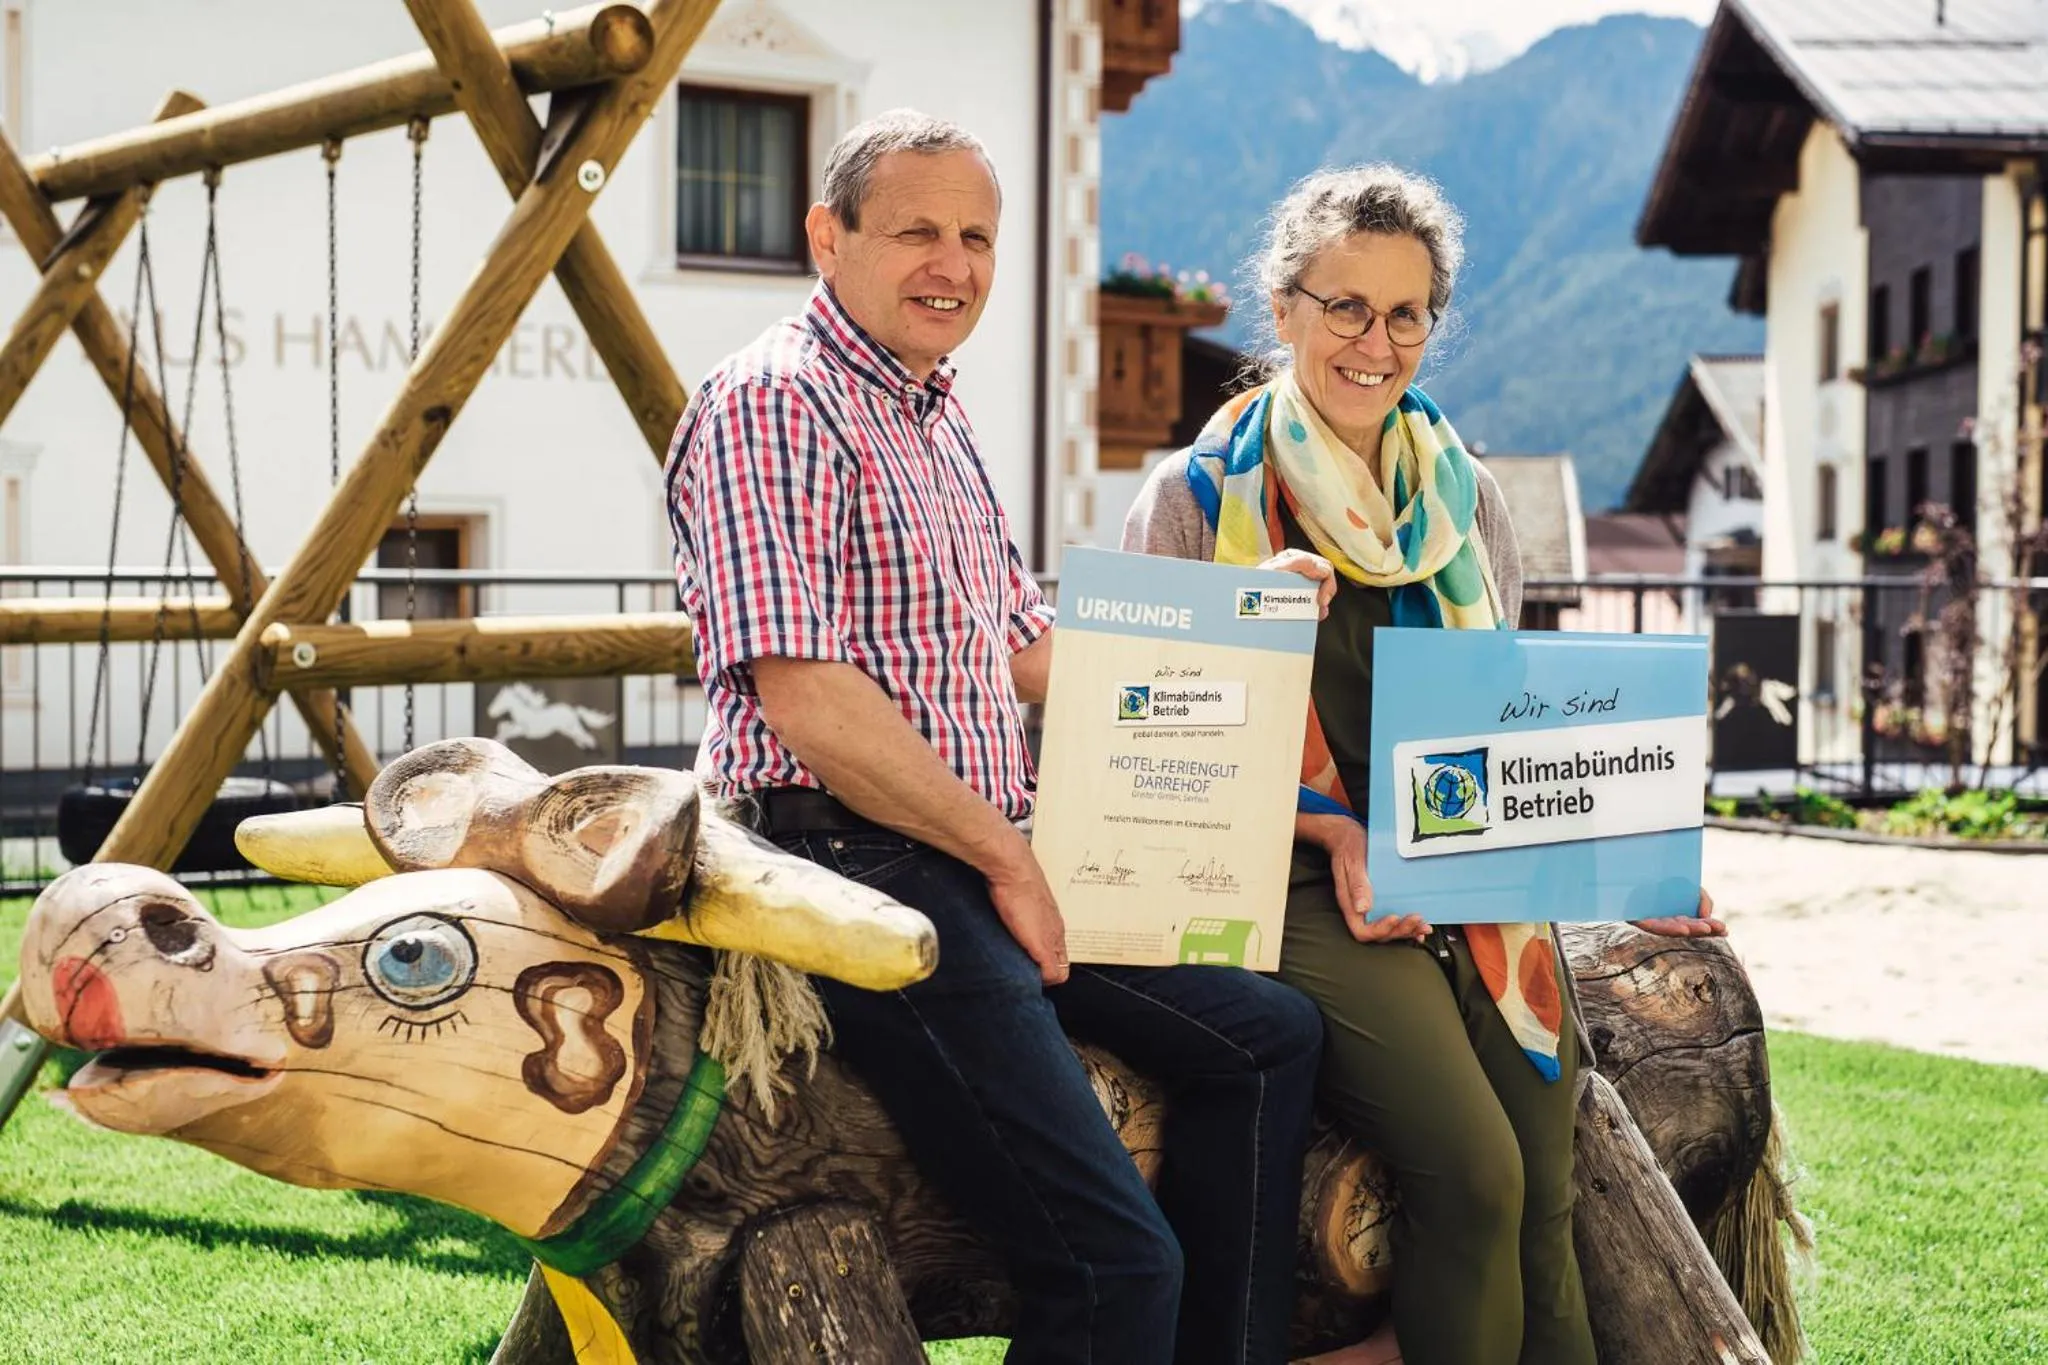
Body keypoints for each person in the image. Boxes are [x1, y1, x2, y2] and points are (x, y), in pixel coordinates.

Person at [666, 109, 1327, 1365]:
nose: (953, 264)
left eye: (975, 236)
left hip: (967, 847)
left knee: (1268, 1039)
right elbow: (807, 696)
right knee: (1110, 1263)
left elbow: (1022, 648)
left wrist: (1247, 612)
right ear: (827, 234)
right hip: (843, 859)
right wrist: (1013, 862)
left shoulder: (932, 413)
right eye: (916, 229)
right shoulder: (769, 404)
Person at [1122, 164, 1729, 1365]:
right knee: (1475, 1172)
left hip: (1455, 870)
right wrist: (1322, 810)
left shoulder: (1465, 501)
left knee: (1544, 1183)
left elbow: (1496, 735)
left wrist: (1619, 866)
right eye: (1343, 306)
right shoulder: (1193, 499)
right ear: (1283, 309)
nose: (1373, 341)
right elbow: (1148, 751)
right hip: (1291, 880)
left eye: (1405, 314)